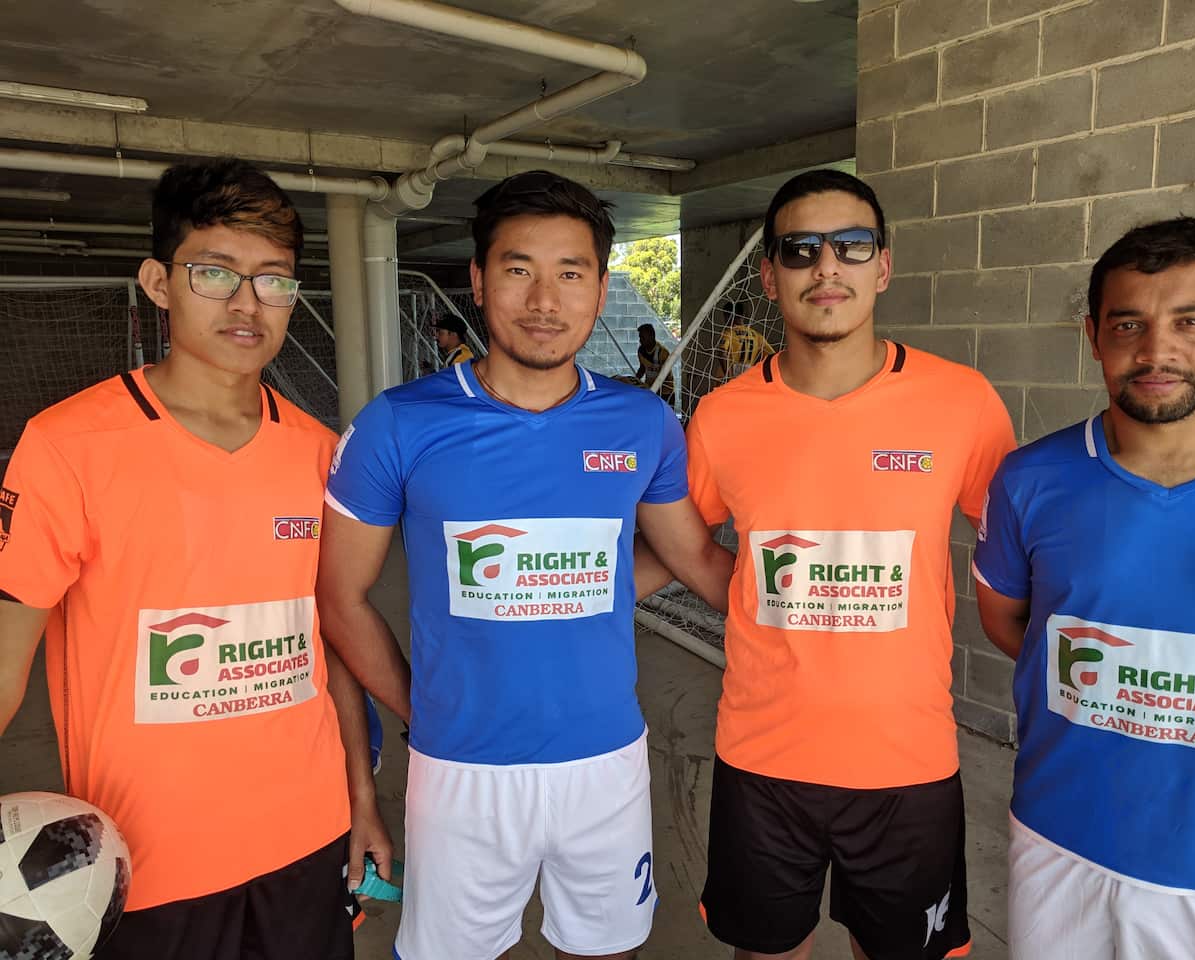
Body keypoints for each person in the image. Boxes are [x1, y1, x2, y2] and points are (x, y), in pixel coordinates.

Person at [317, 169, 734, 960]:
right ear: (478, 281)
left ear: (601, 289)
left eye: (570, 274)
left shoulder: (642, 422)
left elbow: (691, 557)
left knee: (608, 949)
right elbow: (340, 597)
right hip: (460, 769)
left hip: (606, 759)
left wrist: (800, 638)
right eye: (519, 270)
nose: (544, 300)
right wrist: (420, 708)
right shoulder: (398, 424)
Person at [0, 158, 391, 960]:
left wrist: (361, 800)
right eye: (215, 273)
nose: (247, 303)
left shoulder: (321, 453)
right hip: (144, 864)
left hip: (306, 840)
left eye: (273, 280)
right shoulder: (67, 446)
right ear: (159, 282)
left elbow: (330, 641)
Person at [682, 169, 1015, 960]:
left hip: (907, 758)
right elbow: (683, 539)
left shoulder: (963, 402)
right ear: (770, 276)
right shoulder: (722, 416)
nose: (826, 265)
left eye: (852, 245)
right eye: (799, 248)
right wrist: (746, 593)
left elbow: (1018, 547)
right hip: (761, 758)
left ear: (883, 266)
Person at [974, 217, 1195, 959]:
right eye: (1128, 324)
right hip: (1059, 840)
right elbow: (1012, 625)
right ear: (1093, 335)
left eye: (1190, 322)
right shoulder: (1029, 478)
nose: (1156, 351)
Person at [711, 299, 775, 383]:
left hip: (726, 378)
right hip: (746, 378)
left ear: (729, 316)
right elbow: (772, 355)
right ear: (743, 315)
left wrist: (729, 377)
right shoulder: (757, 336)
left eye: (726, 317)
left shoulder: (729, 333)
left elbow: (721, 352)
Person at [636, 321, 675, 404]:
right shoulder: (641, 351)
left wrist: (654, 388)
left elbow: (665, 375)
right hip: (651, 390)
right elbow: (642, 368)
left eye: (643, 337)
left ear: (651, 336)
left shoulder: (662, 352)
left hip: (666, 392)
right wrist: (634, 381)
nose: (640, 340)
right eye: (640, 337)